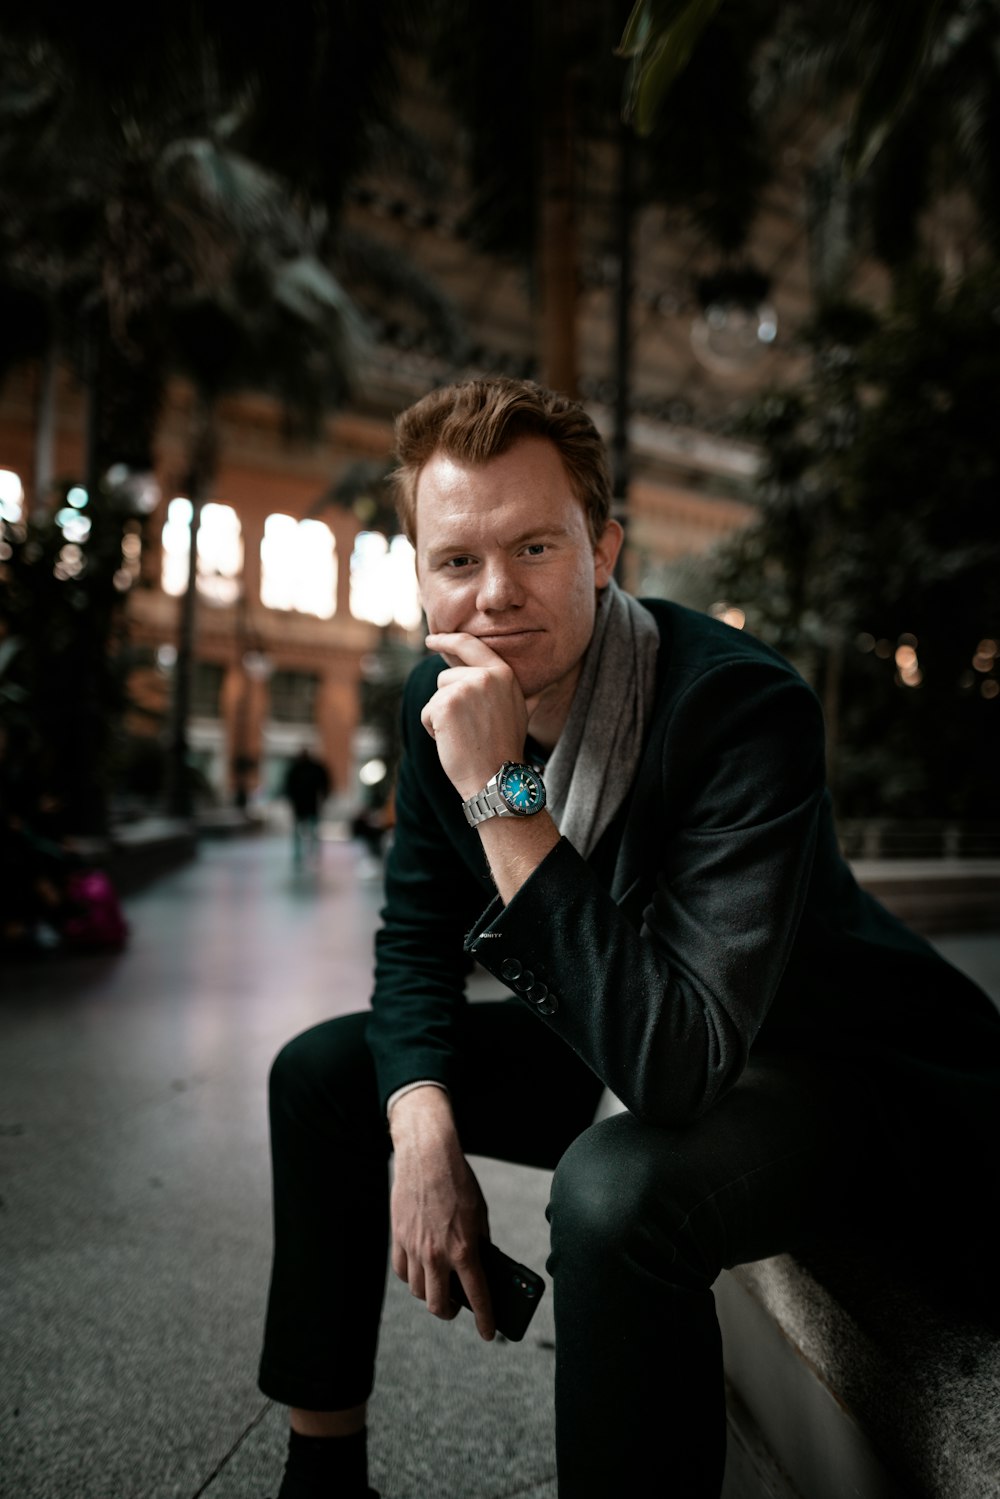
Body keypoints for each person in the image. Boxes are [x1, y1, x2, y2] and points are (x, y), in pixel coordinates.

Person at [257, 378, 999, 1499]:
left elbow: (676, 1060)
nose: (494, 594)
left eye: (536, 547)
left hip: (830, 1067)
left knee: (611, 1189)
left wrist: (504, 798)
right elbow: (414, 939)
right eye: (456, 559)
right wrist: (419, 1121)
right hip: (637, 1018)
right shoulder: (438, 703)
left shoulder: (740, 709)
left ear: (602, 549)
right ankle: (321, 1475)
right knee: (325, 1074)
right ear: (417, 574)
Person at [283, 747, 331, 866]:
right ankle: (302, 853)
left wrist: (324, 796)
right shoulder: (298, 768)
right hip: (303, 804)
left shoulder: (300, 768)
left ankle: (311, 853)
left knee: (311, 829)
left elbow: (325, 783)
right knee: (302, 830)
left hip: (309, 804)